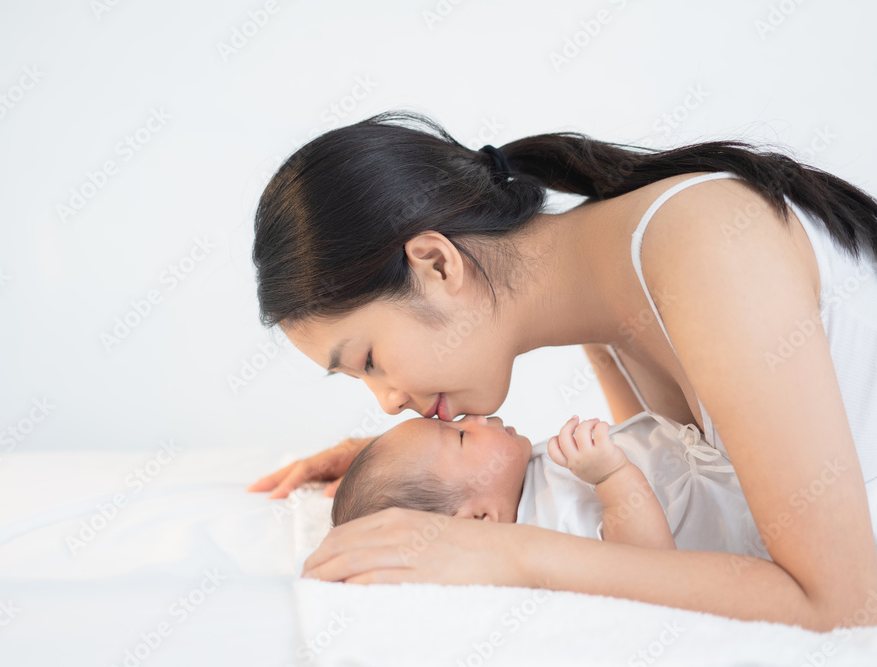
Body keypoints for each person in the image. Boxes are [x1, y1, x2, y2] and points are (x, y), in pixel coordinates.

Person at [246, 110, 877, 630]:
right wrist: (410, 473)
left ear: (437, 264)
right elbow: (675, 513)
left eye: (369, 361)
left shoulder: (704, 247)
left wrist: (506, 553)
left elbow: (846, 603)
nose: (385, 402)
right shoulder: (608, 298)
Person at [331, 411, 769, 559]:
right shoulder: (547, 532)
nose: (477, 417)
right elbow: (648, 563)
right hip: (754, 521)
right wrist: (612, 477)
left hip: (728, 459)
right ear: (479, 520)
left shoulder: (517, 482)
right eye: (461, 435)